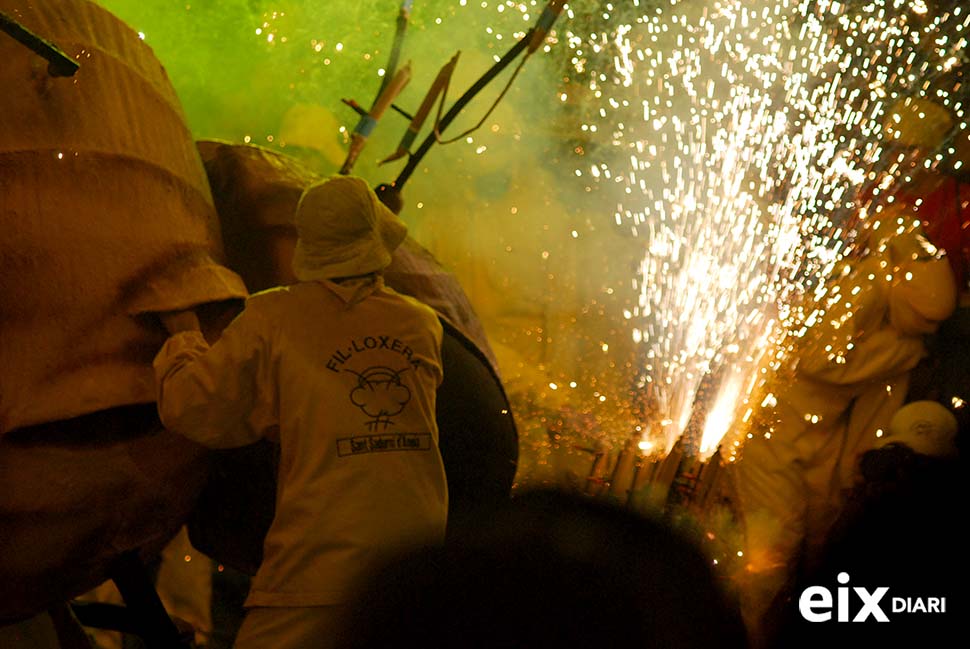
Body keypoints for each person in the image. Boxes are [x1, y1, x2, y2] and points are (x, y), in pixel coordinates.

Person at [153, 176, 448, 649]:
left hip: (317, 564)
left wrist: (182, 334)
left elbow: (195, 407)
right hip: (414, 568)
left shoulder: (272, 320)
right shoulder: (422, 323)